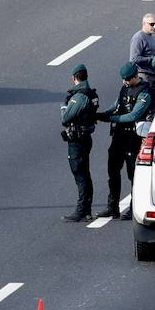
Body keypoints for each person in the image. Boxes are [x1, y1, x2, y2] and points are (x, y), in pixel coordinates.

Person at [95, 62, 151, 220]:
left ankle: (135, 207)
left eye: (128, 79)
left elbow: (133, 115)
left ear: (135, 76)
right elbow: (116, 105)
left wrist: (111, 119)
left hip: (133, 136)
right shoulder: (124, 88)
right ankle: (112, 206)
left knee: (133, 174)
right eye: (124, 79)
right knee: (112, 170)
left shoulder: (144, 93)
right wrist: (101, 115)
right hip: (118, 136)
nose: (125, 82)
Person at [60, 64, 99, 223]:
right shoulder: (91, 93)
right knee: (85, 173)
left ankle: (81, 210)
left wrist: (64, 107)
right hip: (85, 137)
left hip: (77, 140)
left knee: (80, 174)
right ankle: (87, 209)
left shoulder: (79, 96)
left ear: (74, 78)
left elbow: (65, 118)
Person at [129, 13, 155, 90]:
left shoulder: (152, 38)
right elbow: (134, 59)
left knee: (154, 101)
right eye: (152, 24)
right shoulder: (138, 38)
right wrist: (152, 59)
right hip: (143, 76)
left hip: (154, 75)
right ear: (144, 24)